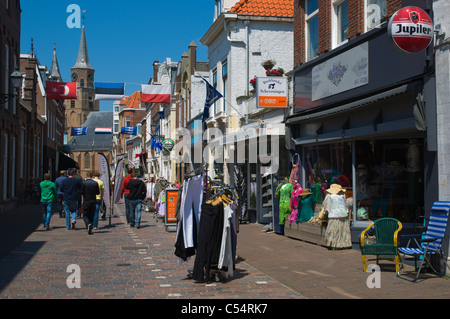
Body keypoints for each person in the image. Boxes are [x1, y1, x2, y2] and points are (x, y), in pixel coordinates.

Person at [81, 171, 100, 235]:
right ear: (92, 176)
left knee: (85, 215)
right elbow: (97, 192)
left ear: (86, 176)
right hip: (93, 201)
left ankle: (88, 224)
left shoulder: (83, 183)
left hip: (86, 201)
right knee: (91, 215)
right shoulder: (95, 183)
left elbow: (81, 192)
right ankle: (90, 226)